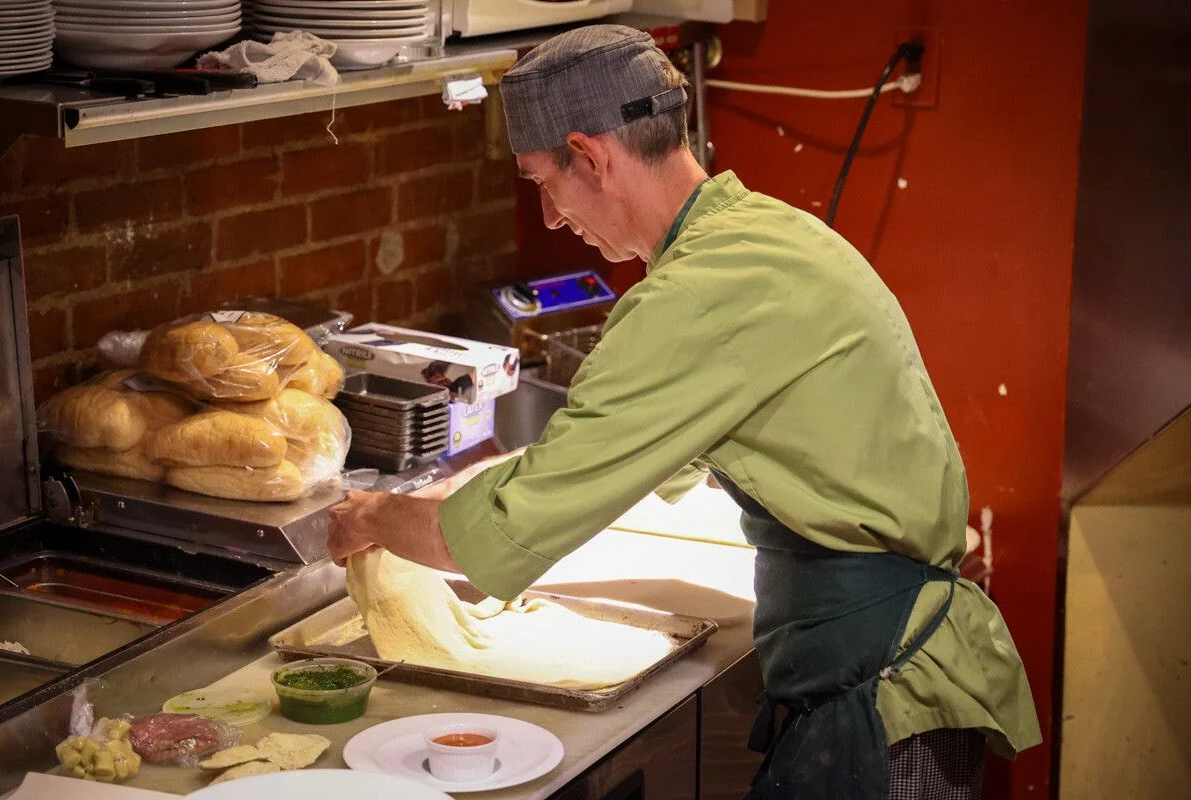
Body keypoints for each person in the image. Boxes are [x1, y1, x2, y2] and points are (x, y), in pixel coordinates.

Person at [328, 25, 1041, 799]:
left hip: (884, 698)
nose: (552, 216)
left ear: (593, 156)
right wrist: (519, 475)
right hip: (899, 662)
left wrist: (371, 514)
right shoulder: (761, 235)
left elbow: (491, 542)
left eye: (543, 183)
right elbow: (660, 454)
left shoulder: (695, 298)